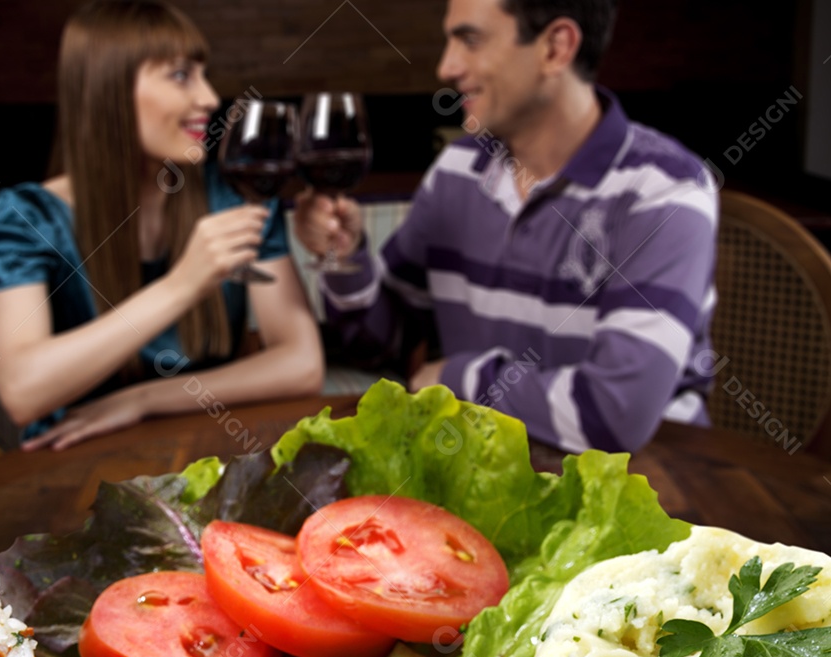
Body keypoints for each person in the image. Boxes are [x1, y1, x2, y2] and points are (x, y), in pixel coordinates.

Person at [293, 0, 718, 454]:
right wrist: (346, 257)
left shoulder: (664, 191)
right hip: (487, 470)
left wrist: (456, 379)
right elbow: (379, 346)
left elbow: (614, 416)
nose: (446, 67)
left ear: (555, 48)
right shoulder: (457, 171)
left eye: (470, 40)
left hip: (656, 487)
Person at [0, 0, 323, 451]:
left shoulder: (234, 195)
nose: (209, 98)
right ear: (108, 89)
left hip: (208, 449)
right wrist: (182, 285)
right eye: (180, 76)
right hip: (75, 463)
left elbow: (302, 364)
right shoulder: (29, 216)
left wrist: (141, 400)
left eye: (202, 74)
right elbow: (22, 392)